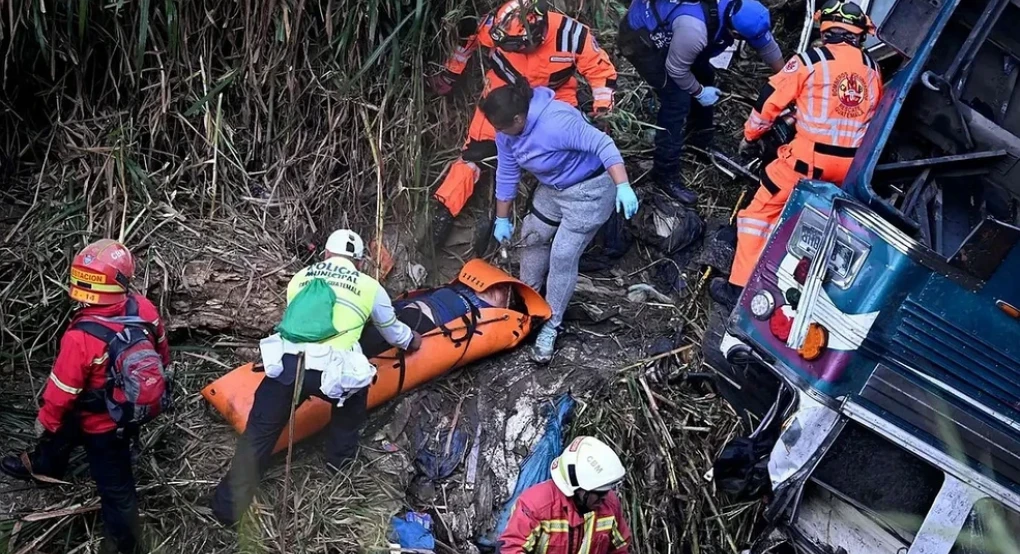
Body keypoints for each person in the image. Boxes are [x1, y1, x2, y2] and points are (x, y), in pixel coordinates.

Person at [210, 229, 423, 526]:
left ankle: (225, 510)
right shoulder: (369, 286)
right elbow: (392, 331)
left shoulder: (301, 278)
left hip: (288, 365)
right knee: (351, 408)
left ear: (325, 254)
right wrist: (413, 340)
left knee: (258, 435)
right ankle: (338, 471)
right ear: (359, 262)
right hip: (335, 373)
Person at [1, 239, 171, 554]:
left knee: (115, 490)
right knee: (67, 443)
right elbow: (162, 352)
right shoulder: (143, 308)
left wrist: (46, 420)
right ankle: (45, 466)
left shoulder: (80, 336)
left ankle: (126, 546)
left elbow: (62, 390)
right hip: (128, 411)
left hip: (100, 425)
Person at [710, 0, 883, 308]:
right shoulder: (873, 70)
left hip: (806, 163)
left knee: (757, 216)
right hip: (850, 172)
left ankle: (738, 290)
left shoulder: (810, 60)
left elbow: (769, 102)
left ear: (825, 29)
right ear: (859, 34)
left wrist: (751, 135)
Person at [423, 0, 618, 251]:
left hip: (554, 98)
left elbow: (600, 72)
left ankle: (546, 208)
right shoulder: (499, 25)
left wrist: (603, 112)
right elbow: (468, 39)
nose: (508, 48)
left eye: (514, 46)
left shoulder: (571, 35)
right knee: (475, 153)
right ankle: (444, 212)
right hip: (504, 95)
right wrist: (450, 75)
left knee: (564, 154)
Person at [482, 83, 639, 363]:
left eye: (502, 127)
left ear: (518, 119)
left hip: (589, 190)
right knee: (531, 236)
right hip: (553, 188)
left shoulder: (557, 122)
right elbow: (507, 174)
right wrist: (501, 218)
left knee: (563, 255)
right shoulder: (507, 134)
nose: (500, 133)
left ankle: (551, 324)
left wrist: (623, 185)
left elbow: (603, 144)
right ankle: (528, 296)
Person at [618, 0, 785, 204]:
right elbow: (676, 70)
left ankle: (700, 139)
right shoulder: (694, 31)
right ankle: (664, 173)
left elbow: (767, 47)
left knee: (704, 74)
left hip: (677, 33)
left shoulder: (740, 11)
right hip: (641, 39)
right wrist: (698, 92)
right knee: (676, 100)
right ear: (735, 33)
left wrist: (787, 80)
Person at [499, 436, 631, 553]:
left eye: (606, 491)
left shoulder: (610, 504)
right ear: (578, 488)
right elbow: (512, 548)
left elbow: (620, 548)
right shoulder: (535, 505)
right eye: (599, 493)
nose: (604, 498)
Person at [360, 282, 512, 357]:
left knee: (370, 349)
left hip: (424, 328)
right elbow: (425, 295)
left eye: (505, 294)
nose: (500, 291)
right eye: (500, 287)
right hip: (406, 315)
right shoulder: (460, 287)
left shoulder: (487, 315)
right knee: (363, 341)